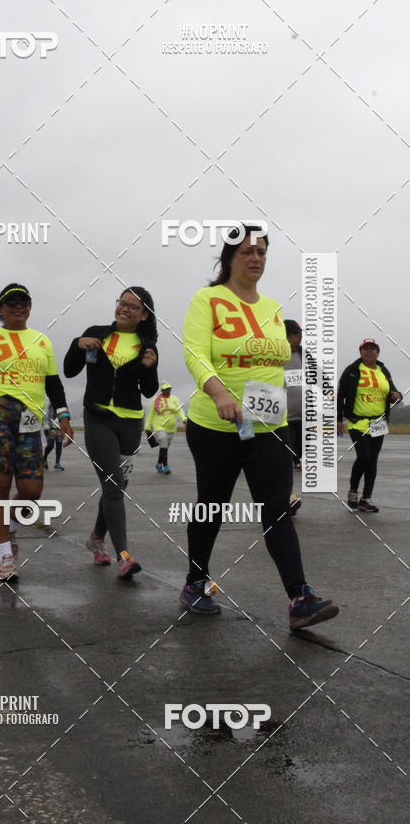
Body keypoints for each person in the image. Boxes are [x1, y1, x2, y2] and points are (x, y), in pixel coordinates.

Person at [181, 225, 338, 630]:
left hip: (268, 425)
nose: (256, 258)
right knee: (212, 505)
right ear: (230, 256)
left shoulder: (271, 308)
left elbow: (275, 363)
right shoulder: (208, 299)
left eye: (263, 252)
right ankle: (195, 581)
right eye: (249, 251)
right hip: (215, 424)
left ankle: (300, 598)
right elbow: (195, 352)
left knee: (277, 511)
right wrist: (219, 394)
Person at [0, 283, 73, 580]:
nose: (18, 306)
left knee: (31, 491)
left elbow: (54, 383)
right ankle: (5, 556)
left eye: (23, 301)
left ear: (30, 307)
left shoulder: (41, 341)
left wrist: (63, 416)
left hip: (30, 418)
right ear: (1, 309)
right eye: (11, 302)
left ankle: (9, 524)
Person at [64, 287, 159, 578]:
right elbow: (69, 371)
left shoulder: (146, 343)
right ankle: (124, 557)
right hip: (99, 419)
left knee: (115, 488)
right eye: (122, 303)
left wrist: (150, 368)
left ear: (144, 315)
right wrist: (77, 344)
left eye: (133, 306)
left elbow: (149, 389)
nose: (125, 309)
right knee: (114, 486)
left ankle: (96, 539)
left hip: (131, 424)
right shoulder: (96, 333)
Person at [337, 339, 402, 513]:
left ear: (377, 352)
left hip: (378, 423)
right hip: (357, 422)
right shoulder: (352, 370)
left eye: (372, 349)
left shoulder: (383, 370)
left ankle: (366, 498)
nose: (369, 352)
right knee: (364, 456)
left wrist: (397, 396)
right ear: (360, 352)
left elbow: (392, 392)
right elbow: (340, 395)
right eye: (365, 349)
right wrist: (338, 419)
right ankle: (353, 492)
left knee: (373, 461)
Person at [283, 320, 304, 517]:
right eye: (297, 333)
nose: (300, 336)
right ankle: (287, 497)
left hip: (302, 417)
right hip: (282, 418)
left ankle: (283, 496)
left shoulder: (302, 354)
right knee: (283, 458)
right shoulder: (275, 355)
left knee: (296, 454)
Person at [145, 382, 186, 474]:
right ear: (162, 390)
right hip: (159, 425)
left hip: (171, 427)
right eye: (166, 389)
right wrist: (147, 427)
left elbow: (179, 411)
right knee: (163, 441)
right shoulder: (155, 401)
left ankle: (159, 464)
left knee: (165, 447)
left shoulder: (175, 399)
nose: (168, 391)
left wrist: (183, 419)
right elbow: (151, 415)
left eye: (169, 389)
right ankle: (166, 466)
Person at [43, 404, 64, 470]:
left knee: (59, 444)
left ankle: (57, 463)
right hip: (49, 428)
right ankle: (44, 459)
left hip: (58, 428)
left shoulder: (62, 406)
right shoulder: (52, 405)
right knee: (51, 445)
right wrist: (51, 428)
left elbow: (63, 418)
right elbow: (50, 417)